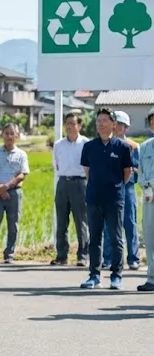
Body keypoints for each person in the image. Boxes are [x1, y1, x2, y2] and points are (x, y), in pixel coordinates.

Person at [80, 108, 134, 290]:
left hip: (115, 199)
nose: (101, 124)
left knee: (116, 238)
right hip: (94, 198)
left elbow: (127, 173)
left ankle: (116, 276)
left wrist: (114, 186)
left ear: (114, 124)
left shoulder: (123, 147)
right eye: (98, 121)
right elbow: (87, 171)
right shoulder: (89, 147)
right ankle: (94, 275)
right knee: (94, 238)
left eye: (104, 120)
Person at [0, 123, 30, 264]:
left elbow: (22, 174)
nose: (9, 136)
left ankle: (9, 254)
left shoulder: (22, 154)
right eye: (6, 133)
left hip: (14, 193)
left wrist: (7, 186)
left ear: (16, 135)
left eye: (12, 133)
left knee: (13, 225)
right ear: (2, 135)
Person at [101, 111, 140, 271]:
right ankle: (108, 258)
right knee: (108, 224)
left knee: (130, 223)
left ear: (126, 128)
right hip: (110, 190)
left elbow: (139, 169)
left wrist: (131, 172)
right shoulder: (106, 145)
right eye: (116, 124)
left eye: (122, 126)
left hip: (128, 188)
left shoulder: (133, 146)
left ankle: (133, 258)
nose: (118, 128)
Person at [51, 112, 90, 267]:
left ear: (79, 126)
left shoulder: (86, 143)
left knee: (81, 221)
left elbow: (90, 166)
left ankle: (83, 256)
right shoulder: (58, 144)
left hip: (80, 183)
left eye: (73, 123)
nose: (69, 126)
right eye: (67, 123)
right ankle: (61, 255)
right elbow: (57, 164)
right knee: (61, 221)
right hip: (63, 183)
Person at [136, 108, 154, 291]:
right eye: (152, 120)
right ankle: (152, 278)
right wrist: (149, 189)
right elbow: (140, 174)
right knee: (150, 237)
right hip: (150, 199)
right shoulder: (145, 147)